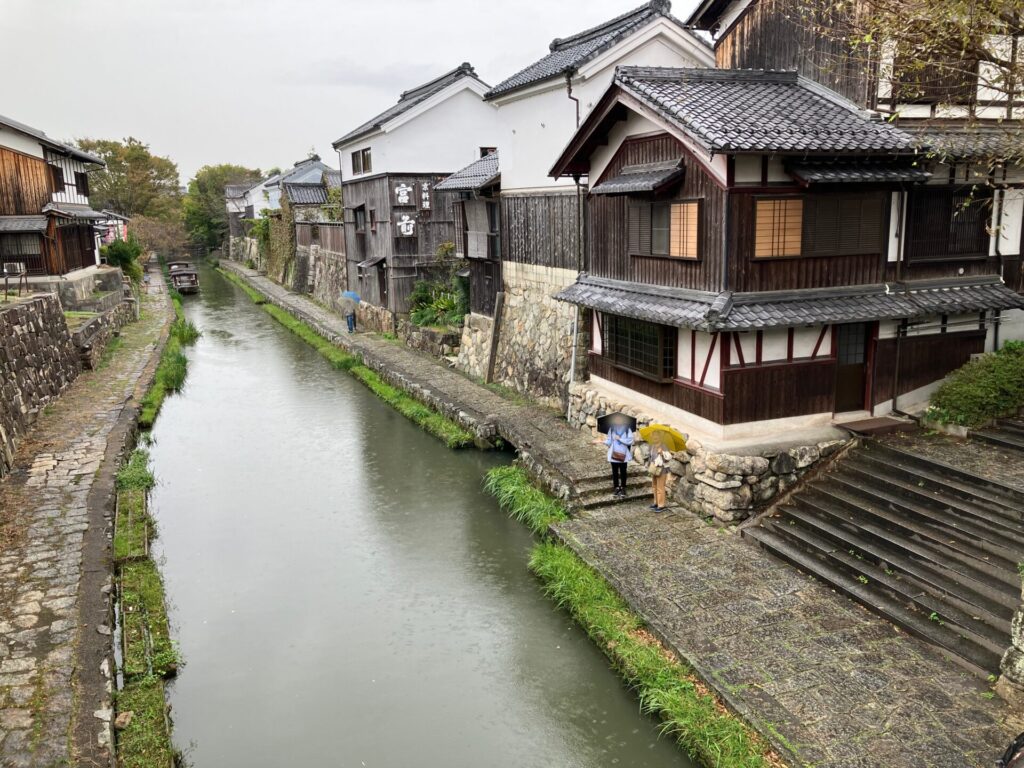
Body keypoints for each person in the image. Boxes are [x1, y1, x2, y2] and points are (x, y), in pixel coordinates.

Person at [593, 418, 634, 498]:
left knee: (623, 472)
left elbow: (630, 441)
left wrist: (620, 439)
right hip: (613, 454)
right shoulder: (612, 429)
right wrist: (601, 441)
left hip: (623, 454)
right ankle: (616, 487)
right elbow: (609, 441)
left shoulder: (627, 429)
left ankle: (623, 488)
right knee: (614, 472)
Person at [646, 433, 673, 513]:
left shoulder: (664, 446)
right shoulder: (652, 446)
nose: (655, 437)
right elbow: (651, 457)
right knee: (654, 486)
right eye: (653, 436)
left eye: (656, 436)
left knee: (660, 488)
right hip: (654, 469)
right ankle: (656, 502)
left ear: (660, 437)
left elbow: (669, 457)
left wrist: (662, 453)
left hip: (662, 470)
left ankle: (661, 505)